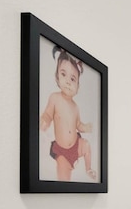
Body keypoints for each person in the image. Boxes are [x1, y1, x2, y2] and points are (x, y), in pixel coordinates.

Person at [40, 46, 96, 181]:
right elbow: (48, 114)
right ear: (57, 77)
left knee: (87, 145)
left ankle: (88, 168)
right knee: (63, 174)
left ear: (77, 87)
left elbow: (78, 125)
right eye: (63, 74)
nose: (68, 82)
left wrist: (86, 127)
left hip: (76, 145)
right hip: (62, 150)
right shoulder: (54, 98)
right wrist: (45, 121)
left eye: (73, 79)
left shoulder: (75, 107)